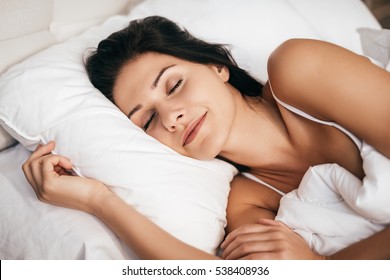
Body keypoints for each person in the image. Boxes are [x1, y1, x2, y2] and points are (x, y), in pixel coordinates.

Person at [22, 16, 390, 259]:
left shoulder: (298, 68)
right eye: (148, 119)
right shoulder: (244, 204)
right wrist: (99, 201)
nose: (171, 117)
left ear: (217, 67)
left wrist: (320, 268)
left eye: (174, 84)